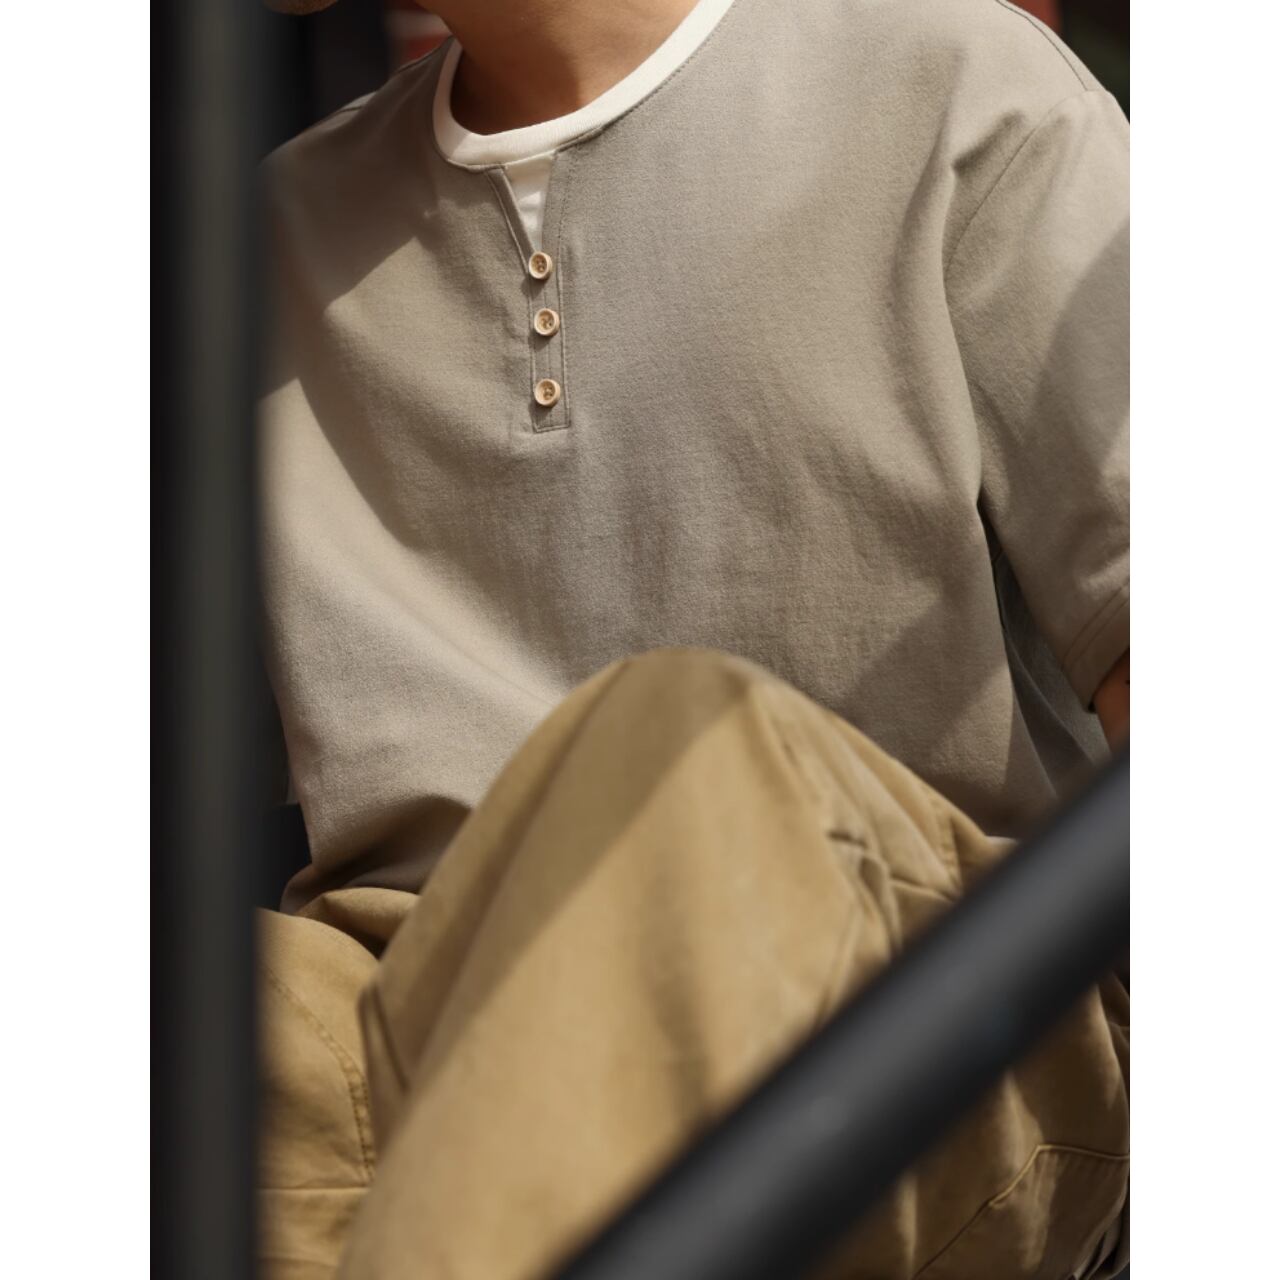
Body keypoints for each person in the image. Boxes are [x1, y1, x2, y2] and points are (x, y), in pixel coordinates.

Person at [255, 0, 1130, 1277]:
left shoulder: (948, 78)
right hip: (413, 998)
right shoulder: (261, 242)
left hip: (911, 1008)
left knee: (671, 757)